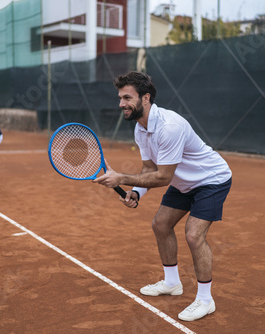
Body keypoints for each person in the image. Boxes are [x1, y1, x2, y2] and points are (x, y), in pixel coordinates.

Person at [93, 71, 232, 321]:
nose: (121, 103)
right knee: (160, 224)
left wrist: (121, 178)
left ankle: (205, 299)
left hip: (211, 180)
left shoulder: (169, 127)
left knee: (193, 234)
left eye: (127, 97)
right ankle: (172, 283)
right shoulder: (140, 128)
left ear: (145, 98)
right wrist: (136, 192)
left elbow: (163, 177)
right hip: (184, 182)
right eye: (120, 97)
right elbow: (149, 169)